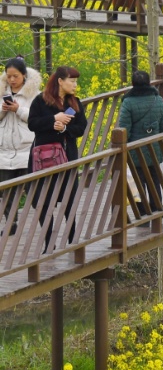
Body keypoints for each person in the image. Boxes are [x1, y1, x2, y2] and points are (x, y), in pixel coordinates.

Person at [27, 66, 86, 246]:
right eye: (72, 81)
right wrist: (54, 119)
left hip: (67, 156)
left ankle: (72, 239)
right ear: (60, 81)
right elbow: (32, 124)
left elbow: (81, 128)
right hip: (43, 158)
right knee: (43, 201)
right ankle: (49, 243)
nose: (75, 85)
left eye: (76, 81)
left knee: (68, 198)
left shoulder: (75, 102)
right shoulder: (40, 101)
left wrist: (65, 128)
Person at [118, 70, 163, 214]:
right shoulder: (158, 100)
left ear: (132, 84)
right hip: (155, 148)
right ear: (148, 83)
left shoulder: (128, 102)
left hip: (135, 150)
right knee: (154, 180)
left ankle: (142, 215)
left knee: (138, 182)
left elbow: (123, 129)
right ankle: (157, 211)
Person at [0, 58, 41, 182]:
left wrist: (18, 110)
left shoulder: (35, 95)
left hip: (26, 152)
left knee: (29, 194)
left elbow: (39, 119)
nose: (12, 80)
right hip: (3, 154)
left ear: (24, 75)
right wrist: (3, 109)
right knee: (6, 196)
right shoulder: (1, 93)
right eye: (9, 76)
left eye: (15, 76)